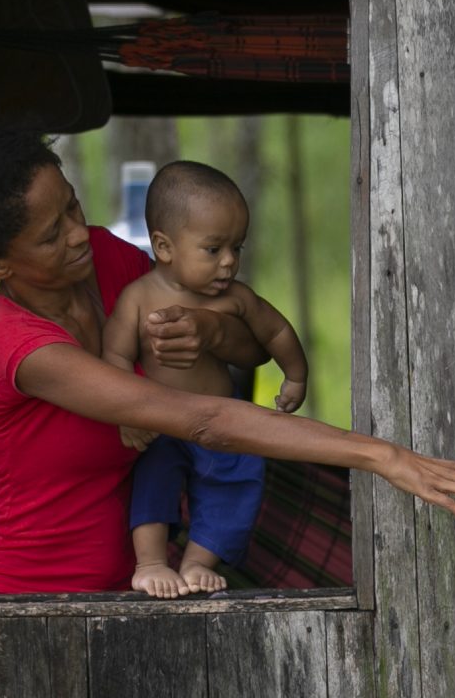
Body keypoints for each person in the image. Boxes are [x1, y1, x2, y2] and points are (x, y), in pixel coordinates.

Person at [0, 129, 455, 594]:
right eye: (48, 236)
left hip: (139, 587)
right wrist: (383, 455)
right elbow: (199, 419)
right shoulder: (14, 345)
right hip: (20, 599)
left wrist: (213, 332)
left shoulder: (109, 261)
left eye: (71, 207)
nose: (77, 234)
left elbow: (243, 360)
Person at [102, 160, 310, 598]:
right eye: (213, 249)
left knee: (238, 482)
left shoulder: (236, 298)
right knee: (151, 481)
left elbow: (275, 331)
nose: (230, 261)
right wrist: (127, 414)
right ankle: (151, 562)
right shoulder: (138, 298)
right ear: (164, 246)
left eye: (238, 247)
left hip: (222, 422)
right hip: (161, 422)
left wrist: (295, 375)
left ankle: (198, 561)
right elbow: (116, 355)